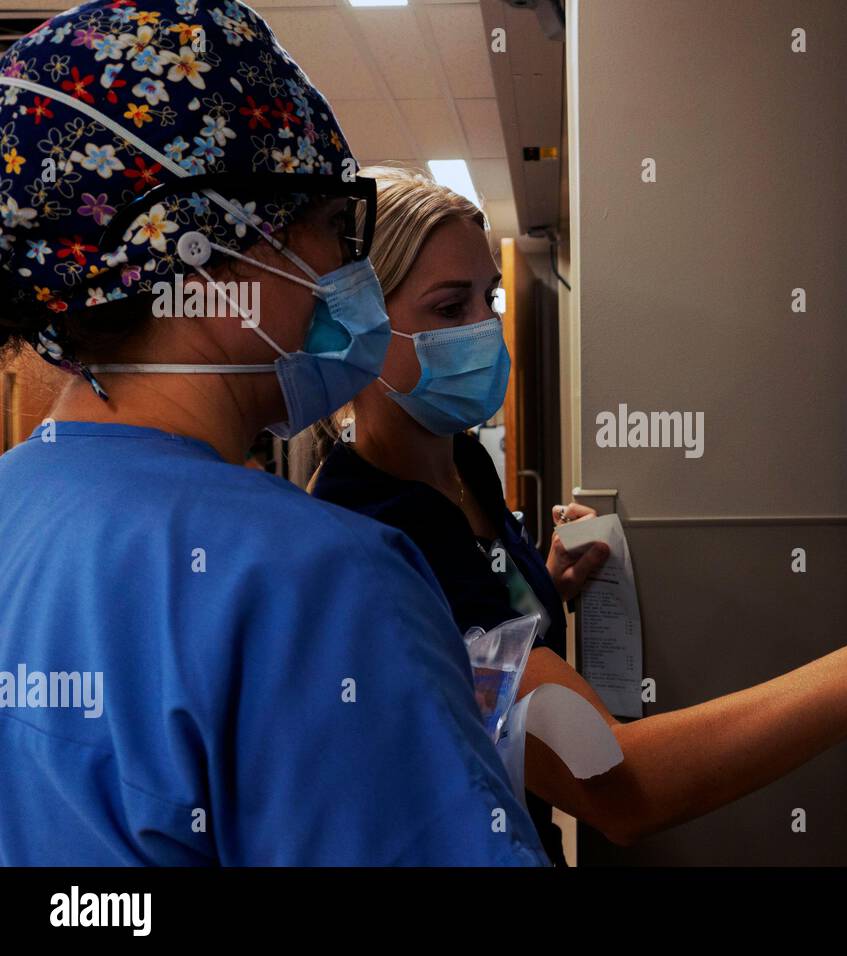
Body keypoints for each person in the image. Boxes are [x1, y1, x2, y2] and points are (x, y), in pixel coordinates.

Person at [309, 166, 847, 850]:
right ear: (360, 335)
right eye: (450, 309)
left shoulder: (462, 463)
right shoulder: (376, 526)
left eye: (492, 297)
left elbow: (492, 632)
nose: (486, 329)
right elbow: (617, 786)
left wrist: (546, 580)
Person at [0, 1, 545, 866]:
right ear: (212, 254)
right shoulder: (318, 580)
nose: (347, 275)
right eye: (335, 231)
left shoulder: (18, 509)